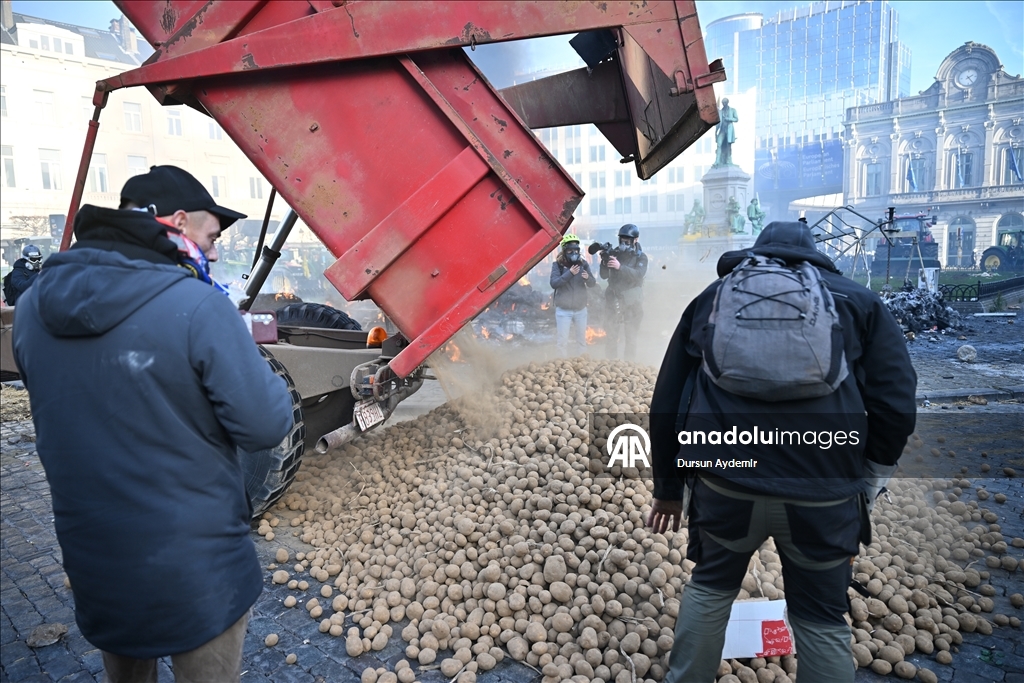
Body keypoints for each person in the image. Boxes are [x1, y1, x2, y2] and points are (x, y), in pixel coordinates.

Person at [12, 169, 293, 683]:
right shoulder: (200, 308)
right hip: (197, 570)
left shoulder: (31, 309)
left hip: (97, 561)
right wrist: (241, 348)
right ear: (179, 223)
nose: (211, 253)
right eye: (210, 238)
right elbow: (266, 423)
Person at [647, 221, 917, 683]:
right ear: (815, 257)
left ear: (756, 254)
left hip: (725, 479)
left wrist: (669, 488)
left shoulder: (714, 299)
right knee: (821, 618)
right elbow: (896, 402)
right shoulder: (858, 302)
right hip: (824, 490)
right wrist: (869, 476)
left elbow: (666, 401)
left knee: (710, 589)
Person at [600, 224, 649, 361]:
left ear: (635, 239)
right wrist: (604, 262)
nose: (624, 243)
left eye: (628, 240)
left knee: (631, 335)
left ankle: (629, 365)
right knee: (611, 335)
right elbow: (604, 276)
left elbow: (639, 274)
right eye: (622, 240)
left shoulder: (641, 257)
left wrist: (620, 267)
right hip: (614, 299)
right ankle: (611, 363)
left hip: (632, 301)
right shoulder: (614, 253)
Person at [550, 233, 597, 356]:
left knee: (581, 342)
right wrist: (569, 273)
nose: (573, 253)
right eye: (570, 251)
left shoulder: (584, 264)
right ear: (564, 251)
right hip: (563, 311)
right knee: (562, 342)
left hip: (581, 309)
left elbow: (593, 283)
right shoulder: (558, 265)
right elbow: (554, 283)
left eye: (575, 250)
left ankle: (581, 365)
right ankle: (562, 367)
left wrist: (588, 278)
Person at [714, 98, 738, 167]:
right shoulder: (720, 112)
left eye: (725, 102)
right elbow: (718, 122)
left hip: (729, 130)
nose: (724, 104)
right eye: (723, 102)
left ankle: (728, 160)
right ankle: (717, 160)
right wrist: (716, 131)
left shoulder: (732, 110)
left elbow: (736, 119)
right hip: (722, 130)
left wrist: (729, 119)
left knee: (728, 145)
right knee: (719, 144)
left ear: (727, 102)